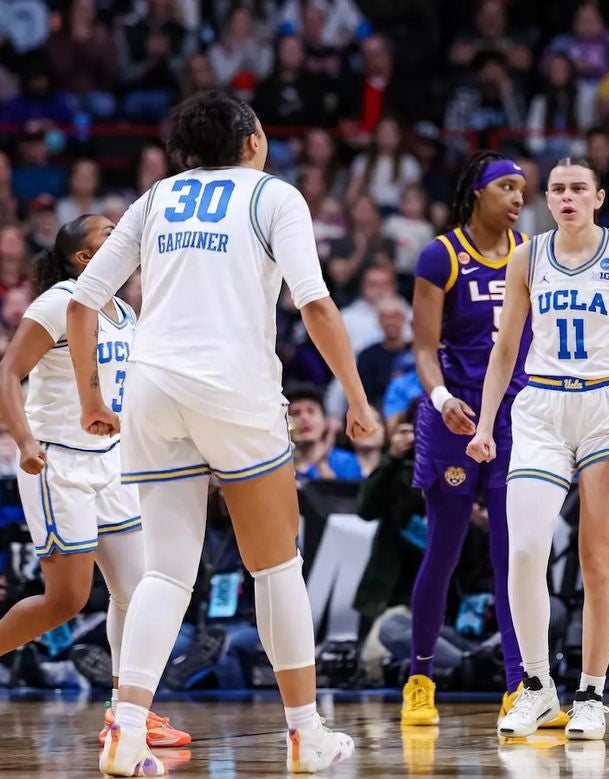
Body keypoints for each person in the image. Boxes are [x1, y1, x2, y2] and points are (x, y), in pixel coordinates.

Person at [64, 91, 377, 775]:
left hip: (150, 388)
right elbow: (316, 303)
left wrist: (93, 395)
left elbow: (84, 299)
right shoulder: (273, 196)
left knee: (166, 572)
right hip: (234, 390)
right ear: (254, 141)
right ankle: (306, 732)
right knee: (276, 565)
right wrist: (355, 395)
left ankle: (126, 725)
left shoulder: (155, 198)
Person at [0, 215, 188, 749]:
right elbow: (7, 374)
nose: (120, 233)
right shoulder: (58, 302)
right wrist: (25, 440)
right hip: (57, 462)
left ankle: (126, 711)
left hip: (112, 462)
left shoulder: (124, 309)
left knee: (136, 591)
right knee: (66, 600)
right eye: (107, 232)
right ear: (85, 259)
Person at [467, 158, 609, 739]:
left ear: (598, 197)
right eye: (558, 189)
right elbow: (506, 344)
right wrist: (485, 424)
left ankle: (591, 694)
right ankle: (537, 686)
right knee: (526, 548)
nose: (566, 197)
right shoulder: (526, 256)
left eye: (577, 189)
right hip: (540, 408)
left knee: (597, 559)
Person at [404, 151, 546, 728]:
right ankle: (419, 677)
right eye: (507, 187)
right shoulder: (441, 255)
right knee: (444, 549)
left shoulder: (533, 256)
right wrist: (441, 400)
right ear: (478, 194)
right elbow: (422, 347)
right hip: (453, 418)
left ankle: (520, 685)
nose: (519, 198)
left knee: (514, 554)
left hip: (515, 418)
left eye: (523, 189)